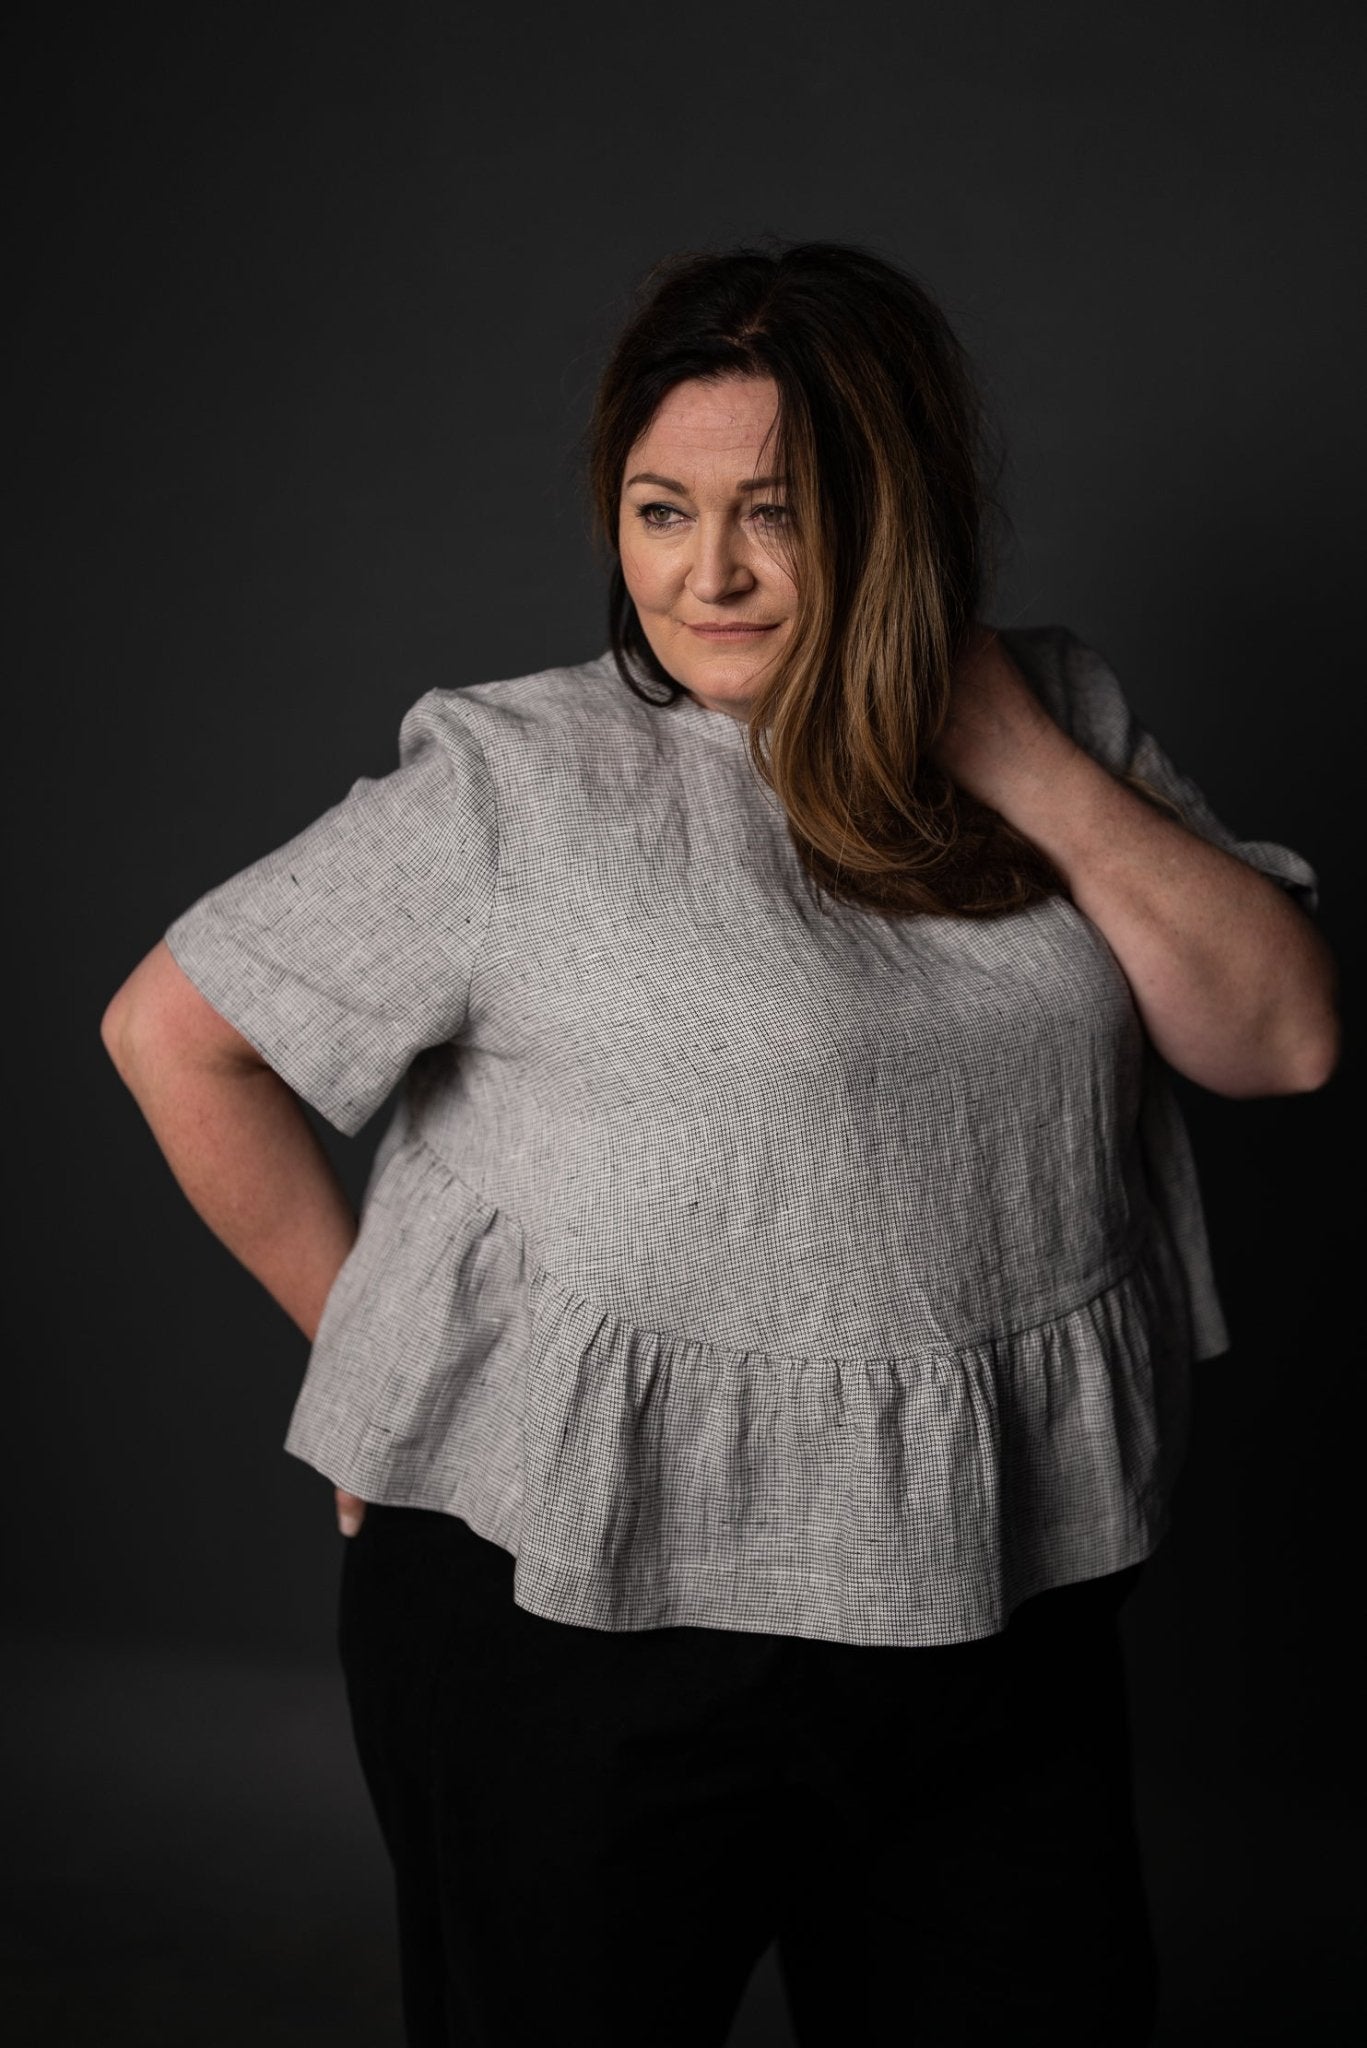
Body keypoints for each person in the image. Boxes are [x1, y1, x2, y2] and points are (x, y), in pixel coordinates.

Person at [100, 239, 1339, 2048]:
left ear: (896, 516)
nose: (710, 573)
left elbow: (1283, 1040)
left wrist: (1015, 753)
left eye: (778, 513)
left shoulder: (1057, 714)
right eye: (661, 512)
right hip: (581, 1625)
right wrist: (372, 1362)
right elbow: (173, 1032)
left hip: (997, 1601)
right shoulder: (521, 782)